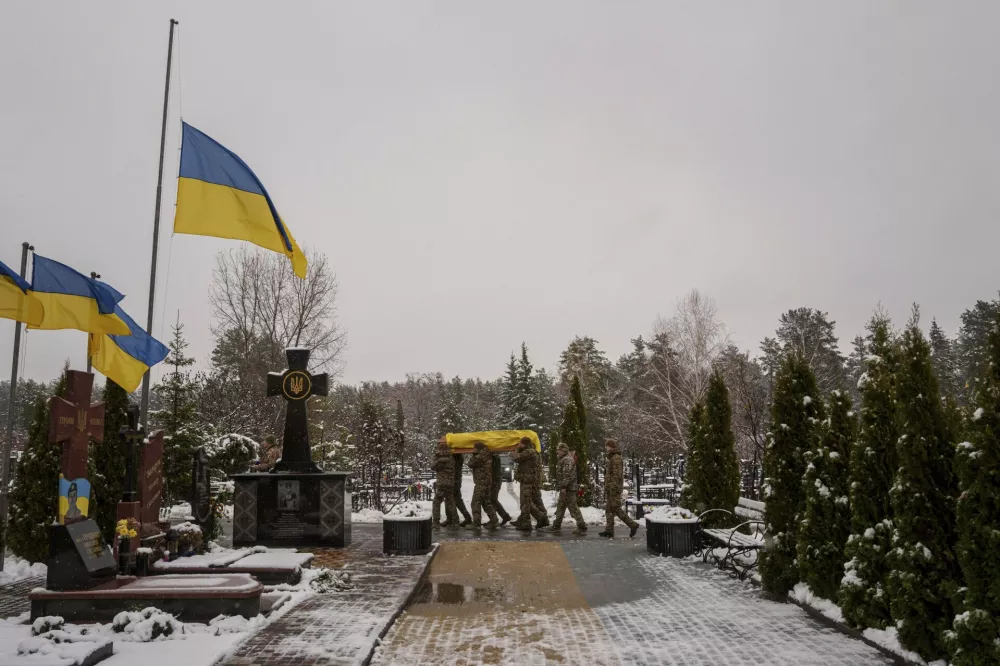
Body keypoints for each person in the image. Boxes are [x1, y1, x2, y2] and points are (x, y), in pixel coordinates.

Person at [600, 439, 639, 538]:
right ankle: (609, 530)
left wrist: (612, 486)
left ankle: (633, 525)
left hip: (614, 488)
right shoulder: (612, 457)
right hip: (611, 487)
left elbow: (617, 475)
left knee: (616, 508)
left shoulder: (616, 458)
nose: (606, 448)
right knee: (609, 509)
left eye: (607, 446)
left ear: (611, 446)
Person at [550, 442, 587, 534]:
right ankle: (556, 525)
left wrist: (564, 486)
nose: (557, 452)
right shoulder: (564, 459)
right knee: (561, 507)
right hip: (566, 488)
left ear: (563, 450)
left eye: (558, 450)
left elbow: (568, 475)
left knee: (573, 508)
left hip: (568, 488)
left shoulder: (567, 460)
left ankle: (581, 526)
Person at [513, 437, 548, 531]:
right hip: (527, 480)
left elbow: (516, 458)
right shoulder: (530, 451)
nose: (519, 445)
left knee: (525, 502)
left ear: (523, 444)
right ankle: (538, 518)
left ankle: (529, 522)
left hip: (528, 481)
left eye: (520, 443)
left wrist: (515, 449)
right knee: (526, 502)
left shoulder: (529, 451)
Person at [466, 441, 499, 530]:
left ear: (477, 449)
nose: (473, 449)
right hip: (488, 483)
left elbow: (470, 464)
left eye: (474, 448)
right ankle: (494, 521)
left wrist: (473, 455)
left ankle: (476, 524)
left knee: (475, 503)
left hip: (481, 483)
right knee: (486, 503)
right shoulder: (488, 454)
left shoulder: (479, 456)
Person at [433, 442, 459, 527]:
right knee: (451, 502)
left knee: (436, 502)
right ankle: (455, 521)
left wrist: (436, 457)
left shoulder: (439, 460)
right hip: (450, 483)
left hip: (442, 483)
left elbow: (433, 467)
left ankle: (436, 522)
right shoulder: (451, 459)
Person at [490, 453, 512, 526]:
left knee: (492, 500)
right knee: (493, 500)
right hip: (495, 480)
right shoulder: (495, 456)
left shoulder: (494, 457)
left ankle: (502, 517)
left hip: (495, 481)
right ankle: (498, 518)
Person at [452, 453, 473, 527]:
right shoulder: (458, 457)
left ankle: (454, 519)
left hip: (454, 481)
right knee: (457, 500)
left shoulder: (456, 458)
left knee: (452, 500)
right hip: (456, 480)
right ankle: (467, 518)